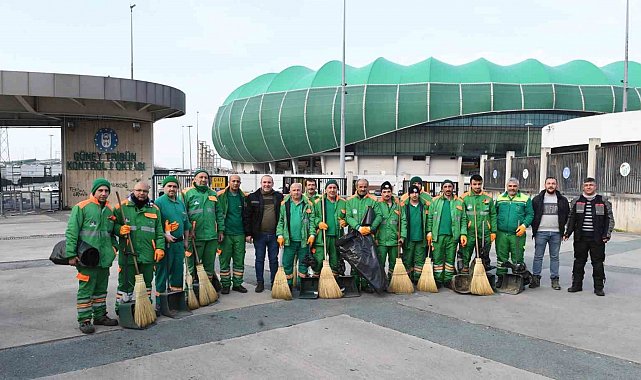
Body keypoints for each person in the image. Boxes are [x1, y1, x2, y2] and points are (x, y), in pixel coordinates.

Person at [65, 178, 119, 334]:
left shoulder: (109, 210)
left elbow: (110, 233)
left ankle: (100, 315)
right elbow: (72, 232)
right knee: (86, 290)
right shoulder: (81, 207)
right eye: (100, 190)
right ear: (94, 191)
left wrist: (113, 248)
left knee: (101, 289)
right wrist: (70, 254)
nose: (103, 193)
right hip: (86, 259)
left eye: (106, 191)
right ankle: (84, 320)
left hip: (104, 259)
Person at [114, 181, 165, 316]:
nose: (141, 193)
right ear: (133, 190)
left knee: (147, 284)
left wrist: (160, 248)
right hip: (128, 254)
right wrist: (119, 229)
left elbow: (159, 231)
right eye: (138, 190)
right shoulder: (122, 207)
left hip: (148, 254)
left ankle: (145, 308)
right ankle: (123, 310)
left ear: (148, 192)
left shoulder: (154, 209)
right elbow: (111, 226)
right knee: (126, 285)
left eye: (145, 191)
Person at [564, 177, 615, 296]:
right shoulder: (577, 200)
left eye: (591, 185)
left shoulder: (602, 201)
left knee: (597, 263)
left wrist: (607, 235)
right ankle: (576, 285)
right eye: (586, 185)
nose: (588, 187)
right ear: (583, 187)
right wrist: (568, 233)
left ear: (595, 186)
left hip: (597, 239)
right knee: (578, 262)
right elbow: (571, 218)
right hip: (580, 238)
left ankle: (599, 288)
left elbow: (609, 219)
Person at [183, 169, 224, 290]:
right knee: (192, 265)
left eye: (205, 178)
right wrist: (188, 230)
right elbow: (183, 215)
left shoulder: (213, 194)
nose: (203, 180)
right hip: (194, 236)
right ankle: (190, 291)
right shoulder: (187, 194)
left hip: (211, 236)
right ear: (194, 179)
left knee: (209, 265)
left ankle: (207, 289)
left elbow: (219, 213)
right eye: (201, 177)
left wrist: (220, 230)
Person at [154, 176, 190, 312]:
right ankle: (160, 302)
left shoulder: (180, 203)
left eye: (174, 186)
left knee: (177, 272)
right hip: (165, 245)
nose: (172, 189)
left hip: (179, 244)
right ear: (164, 188)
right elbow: (155, 225)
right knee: (163, 272)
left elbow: (186, 224)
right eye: (169, 186)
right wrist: (164, 235)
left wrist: (186, 240)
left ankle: (175, 301)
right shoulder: (159, 203)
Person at [244, 175, 284, 292]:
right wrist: (248, 233)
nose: (267, 184)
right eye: (265, 182)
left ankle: (274, 282)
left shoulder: (278, 197)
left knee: (273, 260)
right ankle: (260, 282)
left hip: (274, 235)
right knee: (259, 259)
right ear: (261, 183)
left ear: (272, 184)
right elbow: (247, 216)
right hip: (259, 234)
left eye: (269, 182)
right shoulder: (253, 197)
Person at [530, 177, 569, 290]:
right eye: (549, 183)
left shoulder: (562, 200)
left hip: (556, 233)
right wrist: (535, 229)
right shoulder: (537, 199)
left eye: (553, 183)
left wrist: (564, 230)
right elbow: (532, 215)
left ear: (556, 185)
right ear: (545, 184)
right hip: (541, 232)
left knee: (555, 257)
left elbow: (567, 215)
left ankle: (555, 279)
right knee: (538, 256)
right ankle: (536, 278)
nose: (551, 185)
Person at [427, 180, 467, 287]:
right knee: (437, 259)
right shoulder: (435, 201)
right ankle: (438, 280)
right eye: (445, 187)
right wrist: (429, 232)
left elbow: (463, 219)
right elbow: (430, 218)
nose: (448, 189)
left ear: (453, 188)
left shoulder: (459, 202)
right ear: (442, 188)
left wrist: (463, 233)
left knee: (450, 259)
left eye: (450, 186)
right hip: (438, 236)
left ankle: (448, 280)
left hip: (453, 236)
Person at [495, 177, 534, 288]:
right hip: (501, 233)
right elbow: (494, 213)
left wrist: (524, 225)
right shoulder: (500, 198)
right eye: (510, 186)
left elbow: (530, 214)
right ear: (507, 187)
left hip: (518, 234)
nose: (512, 188)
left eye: (514, 186)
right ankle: (501, 278)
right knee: (501, 257)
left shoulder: (525, 199)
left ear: (518, 187)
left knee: (517, 257)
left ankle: (518, 278)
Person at [345, 178, 382, 292]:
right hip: (354, 234)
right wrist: (358, 227)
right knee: (355, 258)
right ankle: (355, 284)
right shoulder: (350, 201)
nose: (362, 189)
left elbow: (379, 216)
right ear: (356, 187)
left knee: (367, 260)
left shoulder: (373, 200)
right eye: (360, 186)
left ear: (367, 187)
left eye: (365, 186)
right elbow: (348, 216)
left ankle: (366, 284)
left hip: (367, 235)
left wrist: (370, 228)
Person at [276, 183, 315, 287]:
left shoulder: (308, 204)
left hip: (304, 240)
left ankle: (301, 284)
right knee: (287, 263)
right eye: (294, 190)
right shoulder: (285, 205)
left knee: (303, 263)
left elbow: (312, 221)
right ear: (290, 192)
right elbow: (280, 221)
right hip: (289, 241)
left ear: (301, 191)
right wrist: (280, 235)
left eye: (298, 190)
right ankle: (288, 284)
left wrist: (312, 235)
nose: (296, 192)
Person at [217, 175, 248, 294]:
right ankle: (225, 284)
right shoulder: (221, 196)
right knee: (224, 259)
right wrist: (220, 230)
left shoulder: (244, 197)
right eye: (233, 181)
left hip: (240, 233)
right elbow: (218, 214)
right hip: (226, 233)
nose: (235, 183)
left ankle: (237, 283)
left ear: (240, 183)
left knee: (239, 260)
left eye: (238, 181)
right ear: (229, 182)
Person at [460, 174, 497, 273]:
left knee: (483, 253)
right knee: (466, 252)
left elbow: (493, 215)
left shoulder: (488, 198)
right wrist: (463, 232)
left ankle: (481, 272)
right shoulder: (464, 198)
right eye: (475, 184)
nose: (477, 186)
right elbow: (462, 217)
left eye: (479, 184)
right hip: (470, 231)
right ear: (470, 184)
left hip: (485, 231)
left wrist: (493, 231)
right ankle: (465, 269)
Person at [312, 180, 347, 276]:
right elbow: (312, 217)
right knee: (318, 260)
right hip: (322, 236)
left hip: (337, 236)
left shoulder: (343, 203)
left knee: (335, 261)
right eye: (330, 188)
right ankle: (316, 280)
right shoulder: (319, 202)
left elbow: (348, 216)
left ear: (337, 189)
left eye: (334, 188)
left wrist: (345, 221)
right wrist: (318, 223)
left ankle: (333, 284)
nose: (332, 190)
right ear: (326, 190)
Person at [400, 185, 427, 283]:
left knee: (420, 261)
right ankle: (407, 281)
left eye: (416, 193)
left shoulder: (424, 207)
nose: (414, 195)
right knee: (407, 260)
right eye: (412, 193)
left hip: (421, 239)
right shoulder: (404, 207)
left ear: (419, 194)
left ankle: (417, 280)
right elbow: (402, 222)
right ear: (409, 194)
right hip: (408, 239)